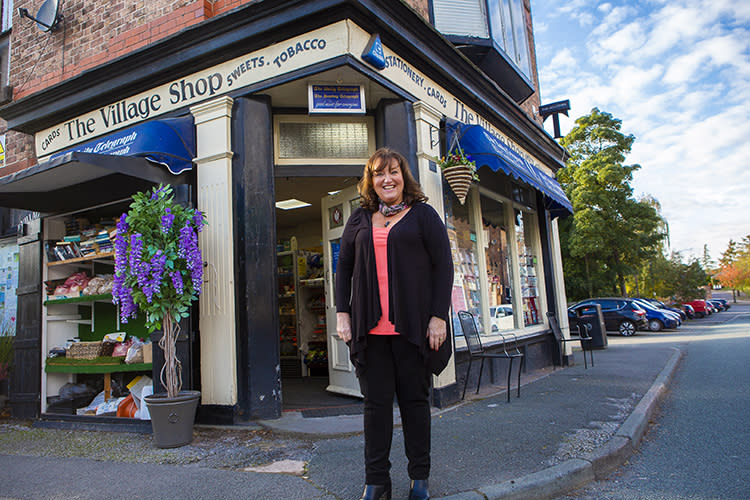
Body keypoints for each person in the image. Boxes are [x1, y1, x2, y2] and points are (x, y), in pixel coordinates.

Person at [335, 147, 454, 500]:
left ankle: (420, 479)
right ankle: (376, 482)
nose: (387, 179)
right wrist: (343, 313)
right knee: (375, 409)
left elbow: (443, 267)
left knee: (416, 405)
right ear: (370, 181)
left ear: (404, 177)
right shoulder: (359, 218)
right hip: (371, 333)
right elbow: (344, 268)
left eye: (394, 172)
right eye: (378, 173)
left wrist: (438, 317)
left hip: (413, 329)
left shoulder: (424, 216)